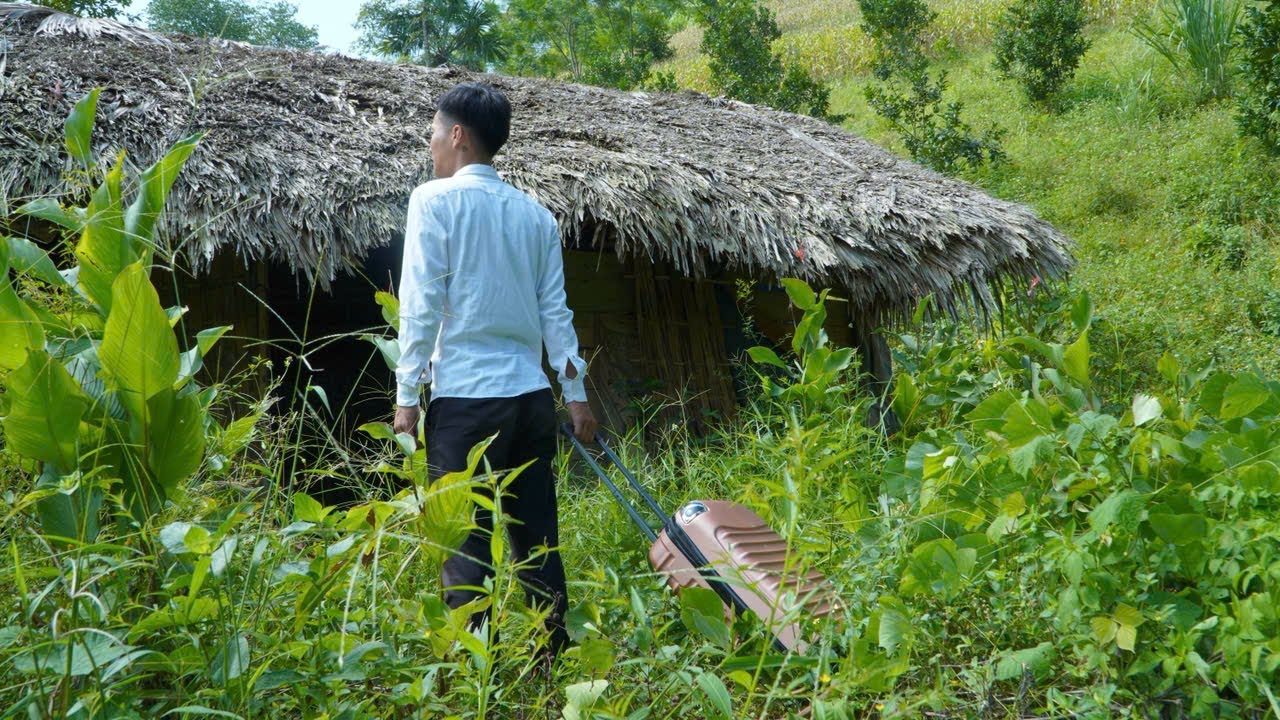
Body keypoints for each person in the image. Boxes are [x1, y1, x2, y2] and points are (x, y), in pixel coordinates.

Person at [391, 82, 598, 657]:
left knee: (465, 549)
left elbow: (421, 304)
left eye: (434, 132)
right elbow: (556, 311)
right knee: (537, 542)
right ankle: (548, 665)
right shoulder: (534, 216)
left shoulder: (432, 201)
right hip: (531, 401)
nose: (430, 144)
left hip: (465, 402)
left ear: (457, 136)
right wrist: (575, 396)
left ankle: (476, 680)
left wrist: (408, 396)